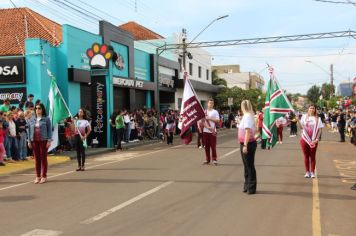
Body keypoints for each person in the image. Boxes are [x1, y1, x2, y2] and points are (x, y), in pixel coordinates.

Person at [28, 103, 52, 184]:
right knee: (37, 159)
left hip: (43, 140)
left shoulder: (46, 119)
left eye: (39, 108)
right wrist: (29, 141)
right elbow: (29, 130)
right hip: (34, 141)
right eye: (36, 108)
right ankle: (38, 176)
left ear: (42, 109)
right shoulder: (32, 119)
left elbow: (49, 130)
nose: (37, 110)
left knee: (43, 158)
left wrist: (49, 141)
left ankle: (44, 176)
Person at [298, 104, 324, 178]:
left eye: (313, 108)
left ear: (315, 110)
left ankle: (312, 172)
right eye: (310, 108)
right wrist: (297, 120)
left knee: (312, 156)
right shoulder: (304, 117)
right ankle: (307, 172)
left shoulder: (318, 119)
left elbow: (320, 130)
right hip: (304, 139)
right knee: (306, 156)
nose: (312, 109)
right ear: (308, 109)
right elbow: (300, 127)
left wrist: (317, 139)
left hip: (313, 140)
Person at [238, 100, 258, 194]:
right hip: (246, 142)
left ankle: (251, 187)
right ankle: (247, 185)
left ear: (243, 107)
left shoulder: (247, 116)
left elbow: (247, 131)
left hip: (248, 143)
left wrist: (245, 145)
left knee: (249, 166)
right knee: (246, 166)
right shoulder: (248, 116)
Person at [203, 99, 220, 165]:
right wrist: (207, 127)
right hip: (205, 131)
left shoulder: (215, 112)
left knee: (213, 146)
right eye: (210, 103)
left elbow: (218, 120)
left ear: (213, 104)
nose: (211, 104)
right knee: (206, 146)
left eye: (212, 103)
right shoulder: (204, 111)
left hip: (212, 131)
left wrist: (209, 118)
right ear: (207, 104)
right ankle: (207, 160)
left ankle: (214, 159)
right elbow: (202, 121)